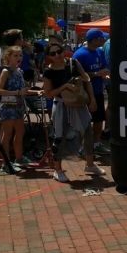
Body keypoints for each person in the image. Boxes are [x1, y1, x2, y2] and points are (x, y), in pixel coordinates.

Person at [43, 42, 105, 182]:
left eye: (59, 51)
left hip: (78, 103)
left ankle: (90, 164)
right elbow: (48, 93)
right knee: (60, 136)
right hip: (61, 105)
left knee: (88, 131)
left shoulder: (73, 63)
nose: (57, 55)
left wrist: (92, 99)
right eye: (53, 53)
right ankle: (57, 169)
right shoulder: (49, 71)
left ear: (63, 50)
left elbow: (86, 80)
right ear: (49, 56)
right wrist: (64, 87)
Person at [0, 46, 39, 172]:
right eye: (15, 55)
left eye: (20, 55)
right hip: (8, 107)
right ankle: (6, 162)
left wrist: (37, 92)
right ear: (8, 57)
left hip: (19, 106)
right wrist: (17, 92)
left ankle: (19, 158)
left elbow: (23, 89)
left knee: (20, 132)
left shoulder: (20, 71)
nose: (19, 58)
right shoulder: (6, 71)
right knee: (7, 134)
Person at [72, 28, 110, 155]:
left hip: (98, 91)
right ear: (93, 40)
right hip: (84, 93)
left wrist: (104, 74)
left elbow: (104, 67)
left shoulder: (99, 52)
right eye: (101, 38)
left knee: (99, 119)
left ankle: (96, 143)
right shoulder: (79, 54)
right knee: (85, 121)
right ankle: (82, 147)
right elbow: (76, 75)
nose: (103, 40)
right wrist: (96, 73)